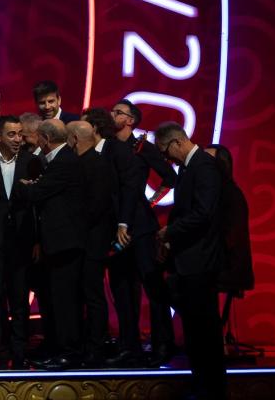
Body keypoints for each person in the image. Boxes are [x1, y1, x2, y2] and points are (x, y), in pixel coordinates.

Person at [154, 122, 225, 397]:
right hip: (188, 259)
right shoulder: (186, 168)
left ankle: (213, 388)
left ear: (177, 142)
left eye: (165, 152)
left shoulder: (204, 167)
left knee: (205, 329)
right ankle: (201, 384)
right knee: (194, 330)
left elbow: (203, 213)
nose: (165, 159)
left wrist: (170, 230)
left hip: (201, 260)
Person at [107, 100, 176, 364]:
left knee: (152, 286)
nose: (113, 115)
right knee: (122, 287)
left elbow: (170, 178)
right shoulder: (110, 148)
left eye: (118, 113)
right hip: (116, 228)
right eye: (113, 112)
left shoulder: (142, 147)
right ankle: (129, 345)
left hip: (142, 228)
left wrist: (151, 202)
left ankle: (162, 343)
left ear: (131, 120)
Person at [21, 118, 88, 370]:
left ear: (46, 140)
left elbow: (36, 193)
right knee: (55, 298)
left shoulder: (64, 162)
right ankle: (57, 346)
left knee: (65, 300)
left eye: (38, 138)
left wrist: (24, 186)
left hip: (66, 243)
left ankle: (70, 351)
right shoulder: (59, 160)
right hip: (57, 243)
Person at [0, 114, 38, 368]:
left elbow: (38, 206)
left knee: (20, 300)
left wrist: (37, 240)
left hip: (22, 240)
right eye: (11, 134)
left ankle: (19, 351)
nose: (17, 139)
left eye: (20, 134)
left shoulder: (32, 162)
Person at [70, 119, 116, 364]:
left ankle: (95, 347)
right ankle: (85, 344)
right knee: (85, 295)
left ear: (75, 139)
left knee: (93, 295)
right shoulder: (85, 163)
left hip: (92, 242)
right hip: (85, 241)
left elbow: (96, 207)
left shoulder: (95, 165)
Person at [205, 144, 254, 354]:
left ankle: (214, 343)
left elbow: (232, 235)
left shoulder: (229, 193)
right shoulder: (216, 192)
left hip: (227, 263)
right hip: (219, 260)